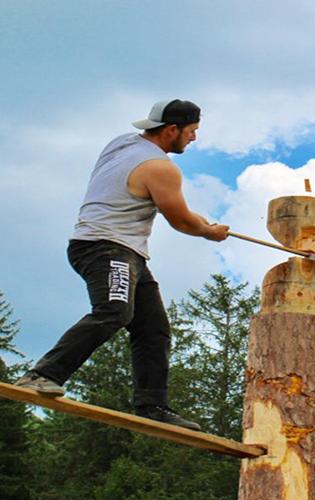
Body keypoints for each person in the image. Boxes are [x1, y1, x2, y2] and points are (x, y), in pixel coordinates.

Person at [15, 99, 229, 432]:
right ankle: (42, 375)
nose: (193, 139)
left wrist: (202, 222)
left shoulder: (121, 144)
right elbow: (181, 221)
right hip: (106, 248)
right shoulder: (161, 168)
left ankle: (152, 406)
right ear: (172, 130)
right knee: (114, 311)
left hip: (124, 252)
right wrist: (209, 233)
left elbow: (174, 208)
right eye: (191, 132)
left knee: (153, 330)